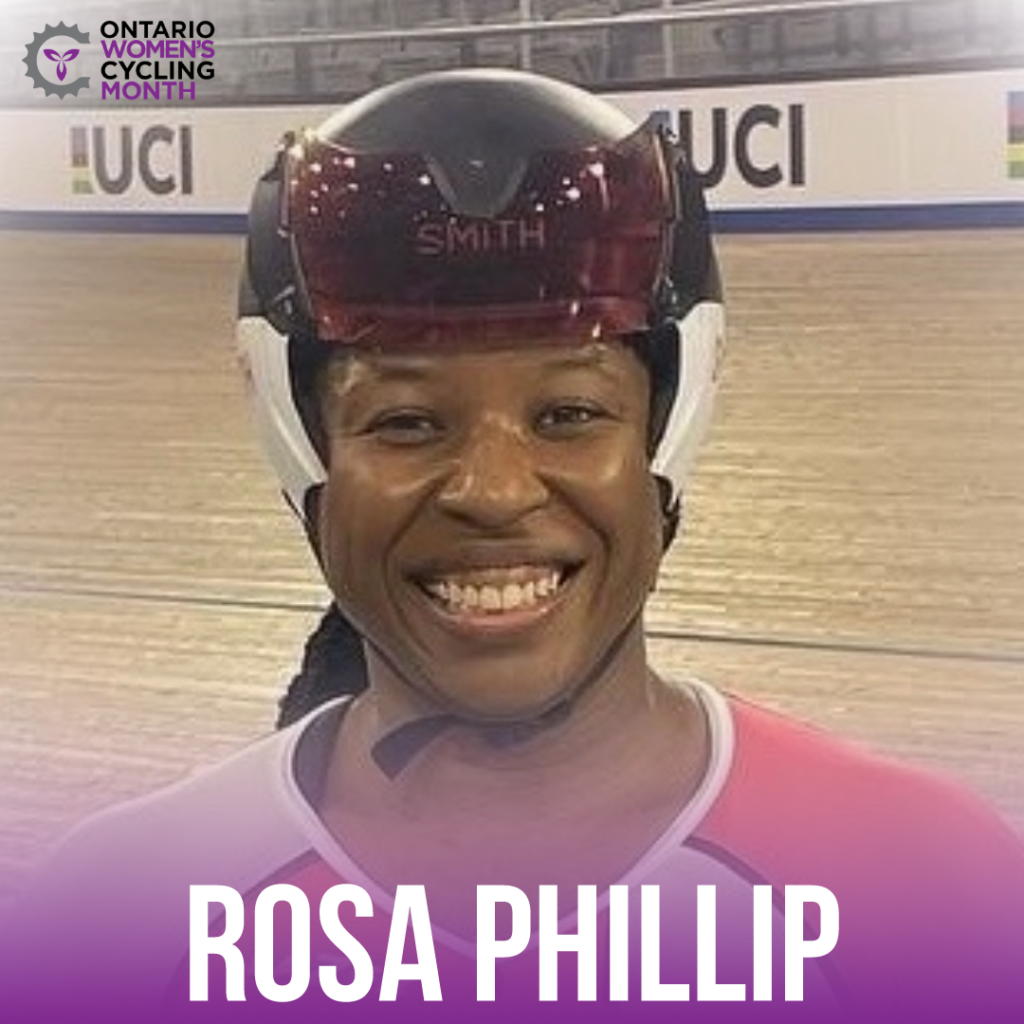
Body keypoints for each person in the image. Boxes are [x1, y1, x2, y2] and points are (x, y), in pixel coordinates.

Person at [3, 69, 1023, 1023]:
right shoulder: (111, 913)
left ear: (664, 439)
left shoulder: (933, 882)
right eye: (404, 422)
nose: (492, 492)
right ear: (306, 454)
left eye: (571, 413)